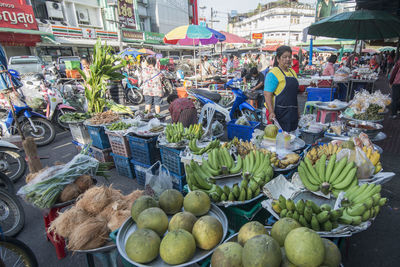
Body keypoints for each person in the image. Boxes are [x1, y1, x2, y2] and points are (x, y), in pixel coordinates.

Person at [264, 46, 299, 132]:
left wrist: (297, 110)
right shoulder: (273, 73)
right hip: (277, 113)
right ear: (278, 59)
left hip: (292, 112)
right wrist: (271, 112)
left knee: (290, 138)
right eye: (284, 57)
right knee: (277, 139)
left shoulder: (293, 72)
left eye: (289, 57)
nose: (288, 59)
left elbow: (294, 94)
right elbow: (267, 94)